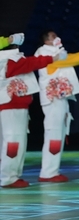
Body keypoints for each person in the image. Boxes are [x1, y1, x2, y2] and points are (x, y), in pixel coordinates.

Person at [35, 32, 79, 183]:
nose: (58, 37)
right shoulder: (45, 53)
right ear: (47, 39)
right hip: (52, 99)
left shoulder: (55, 52)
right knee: (53, 135)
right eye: (54, 36)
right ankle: (48, 172)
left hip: (60, 98)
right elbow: (73, 59)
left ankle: (52, 171)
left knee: (58, 135)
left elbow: (71, 57)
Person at [0, 33, 55, 188]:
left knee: (9, 141)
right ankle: (9, 177)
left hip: (11, 105)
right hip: (13, 105)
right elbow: (31, 63)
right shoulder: (9, 60)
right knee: (14, 141)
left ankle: (10, 175)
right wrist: (53, 58)